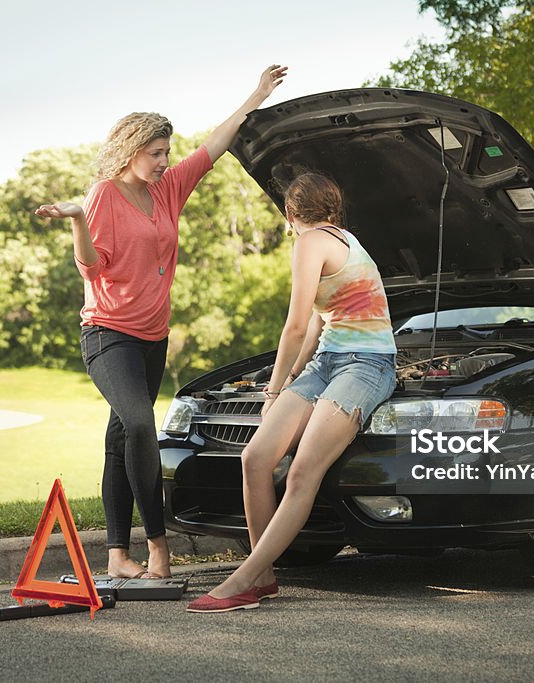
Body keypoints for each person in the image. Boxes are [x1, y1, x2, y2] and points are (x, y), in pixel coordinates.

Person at [35, 65, 287, 580]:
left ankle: (116, 556)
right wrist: (79, 219)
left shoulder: (169, 188)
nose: (163, 161)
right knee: (143, 426)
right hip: (108, 333)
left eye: (167, 153)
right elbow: (91, 267)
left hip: (153, 337)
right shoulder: (103, 195)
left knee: (121, 438)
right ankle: (157, 548)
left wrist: (256, 95)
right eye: (155, 153)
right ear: (131, 150)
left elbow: (215, 146)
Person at [186, 172, 398, 612]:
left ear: (289, 213)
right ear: (332, 207)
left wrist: (273, 390)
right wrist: (296, 377)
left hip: (368, 365)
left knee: (302, 472)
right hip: (327, 362)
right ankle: (261, 576)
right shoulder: (343, 240)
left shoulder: (309, 242)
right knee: (256, 457)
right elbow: (321, 322)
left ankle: (242, 579)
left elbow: (296, 324)